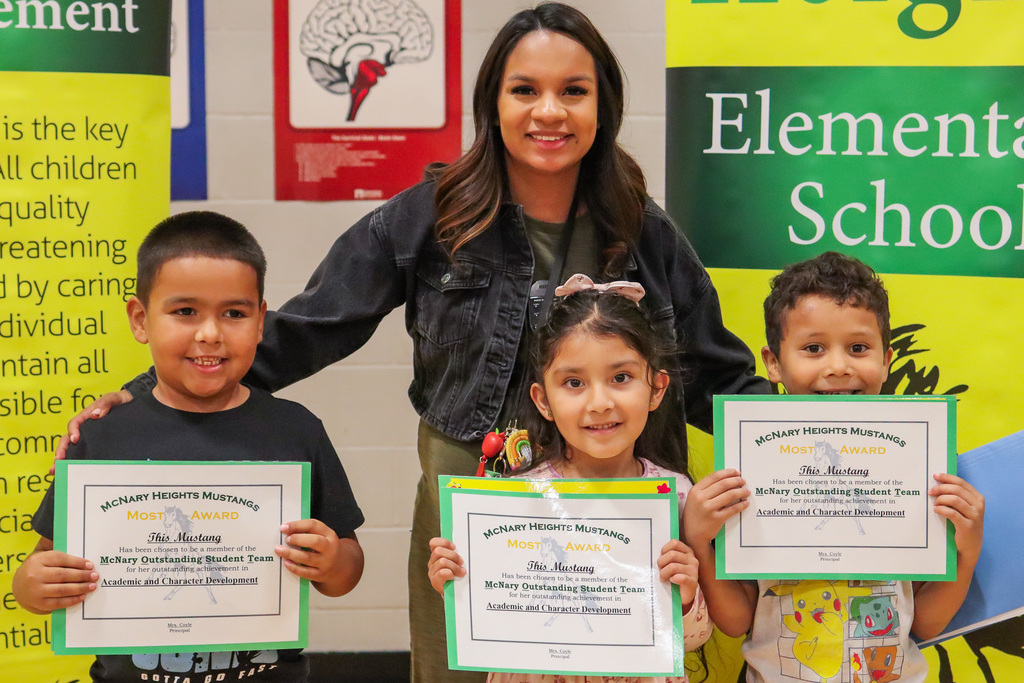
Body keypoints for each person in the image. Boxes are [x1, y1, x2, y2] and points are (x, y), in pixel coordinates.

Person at [56, 4, 766, 680]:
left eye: (573, 91)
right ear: (493, 102)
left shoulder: (642, 226)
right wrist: (151, 402)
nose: (549, 111)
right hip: (472, 511)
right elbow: (311, 325)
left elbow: (715, 371)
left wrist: (793, 440)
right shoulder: (432, 213)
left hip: (621, 503)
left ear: (602, 105)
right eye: (525, 90)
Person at [15, 212, 365, 682]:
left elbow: (345, 572)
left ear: (261, 322)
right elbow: (42, 563)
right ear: (140, 320)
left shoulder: (296, 430)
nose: (210, 334)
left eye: (234, 314)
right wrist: (33, 586)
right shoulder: (101, 437)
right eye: (185, 312)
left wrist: (331, 561)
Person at [682, 252, 985, 683]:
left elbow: (925, 624)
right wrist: (699, 539)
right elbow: (735, 621)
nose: (838, 366)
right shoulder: (752, 471)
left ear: (886, 359)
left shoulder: (917, 469)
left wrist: (968, 551)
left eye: (858, 348)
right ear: (773, 363)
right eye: (813, 348)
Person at [428, 281, 714, 683]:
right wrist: (458, 587)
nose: (599, 402)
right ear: (543, 400)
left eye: (621, 377)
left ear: (657, 388)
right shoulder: (514, 499)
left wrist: (685, 597)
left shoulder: (677, 494)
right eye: (574, 383)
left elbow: (695, 639)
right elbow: (491, 631)